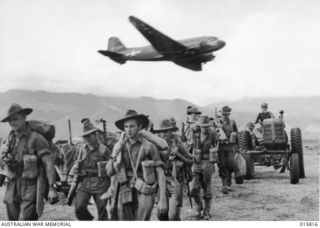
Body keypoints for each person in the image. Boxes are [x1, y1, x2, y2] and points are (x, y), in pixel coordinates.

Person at [106, 110, 167, 220]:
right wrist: (114, 154)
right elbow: (109, 172)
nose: (128, 130)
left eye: (132, 126)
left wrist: (162, 199)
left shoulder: (149, 147)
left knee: (142, 219)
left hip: (144, 187)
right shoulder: (120, 147)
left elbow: (160, 173)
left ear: (139, 126)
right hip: (125, 187)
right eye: (126, 127)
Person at [0, 103, 58, 220]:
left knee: (25, 219)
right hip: (12, 183)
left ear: (24, 117)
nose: (13, 123)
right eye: (10, 121)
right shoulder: (9, 139)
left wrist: (52, 188)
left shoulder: (36, 138)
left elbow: (48, 164)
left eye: (16, 119)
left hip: (31, 185)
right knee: (12, 220)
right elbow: (4, 160)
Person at [154, 119, 193, 220]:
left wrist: (178, 155)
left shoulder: (178, 143)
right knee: (161, 214)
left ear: (171, 131)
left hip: (175, 181)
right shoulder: (155, 145)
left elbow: (190, 161)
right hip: (161, 181)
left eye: (166, 131)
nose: (163, 134)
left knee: (173, 215)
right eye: (161, 131)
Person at [72, 119, 112, 220]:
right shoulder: (81, 149)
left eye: (89, 136)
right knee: (78, 207)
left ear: (95, 135)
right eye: (85, 136)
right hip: (85, 182)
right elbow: (76, 163)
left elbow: (112, 168)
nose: (87, 139)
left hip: (101, 183)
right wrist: (77, 167)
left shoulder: (104, 150)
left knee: (102, 209)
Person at [189, 115, 218, 220]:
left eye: (206, 126)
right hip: (196, 162)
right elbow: (189, 146)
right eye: (203, 126)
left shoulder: (213, 134)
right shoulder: (194, 133)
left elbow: (216, 146)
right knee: (192, 189)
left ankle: (207, 210)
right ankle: (198, 205)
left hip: (208, 162)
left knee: (207, 187)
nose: (205, 128)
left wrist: (214, 161)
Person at [218, 106, 238, 194]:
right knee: (222, 165)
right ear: (221, 114)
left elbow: (237, 134)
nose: (225, 116)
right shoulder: (217, 123)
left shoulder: (232, 122)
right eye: (223, 114)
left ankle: (229, 181)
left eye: (226, 114)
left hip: (231, 147)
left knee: (231, 165)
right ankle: (224, 185)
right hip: (221, 147)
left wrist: (238, 147)